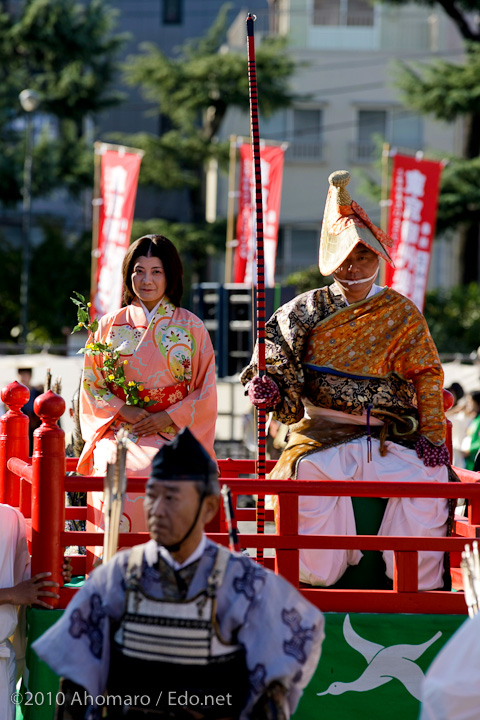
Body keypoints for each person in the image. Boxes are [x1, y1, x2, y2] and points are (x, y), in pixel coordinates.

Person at [242, 169, 451, 590]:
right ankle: (314, 580)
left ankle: (415, 585)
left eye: (363, 257)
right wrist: (267, 386)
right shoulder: (304, 309)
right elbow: (273, 357)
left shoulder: (401, 312)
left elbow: (427, 373)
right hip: (319, 435)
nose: (353, 268)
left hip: (389, 436)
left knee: (430, 480)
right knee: (306, 476)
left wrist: (431, 435)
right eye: (344, 259)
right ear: (329, 262)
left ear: (379, 258)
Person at [33, 427, 324, 720]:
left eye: (171, 498)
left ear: (209, 507)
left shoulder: (243, 582)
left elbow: (271, 693)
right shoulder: (115, 578)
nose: (157, 510)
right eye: (151, 496)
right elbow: (75, 685)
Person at [76, 234, 217, 534]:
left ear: (171, 275)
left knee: (164, 470)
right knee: (116, 465)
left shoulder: (192, 327)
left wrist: (167, 416)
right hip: (121, 430)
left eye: (156, 271)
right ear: (129, 275)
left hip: (174, 431)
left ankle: (168, 569)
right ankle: (111, 564)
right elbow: (91, 384)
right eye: (138, 270)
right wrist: (122, 410)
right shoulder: (109, 325)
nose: (146, 280)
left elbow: (205, 391)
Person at [0, 503, 69, 720]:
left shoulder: (9, 517)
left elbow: (23, 577)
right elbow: (15, 590)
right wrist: (9, 594)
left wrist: (55, 573)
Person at [17, 368, 41, 455]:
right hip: (21, 429)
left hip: (35, 427)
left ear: (30, 376)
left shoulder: (38, 392)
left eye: (25, 375)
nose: (23, 378)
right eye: (21, 375)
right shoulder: (16, 393)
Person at [460, 391, 480, 471]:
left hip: (476, 460)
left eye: (470, 402)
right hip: (469, 461)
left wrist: (469, 450)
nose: (468, 405)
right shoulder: (474, 419)